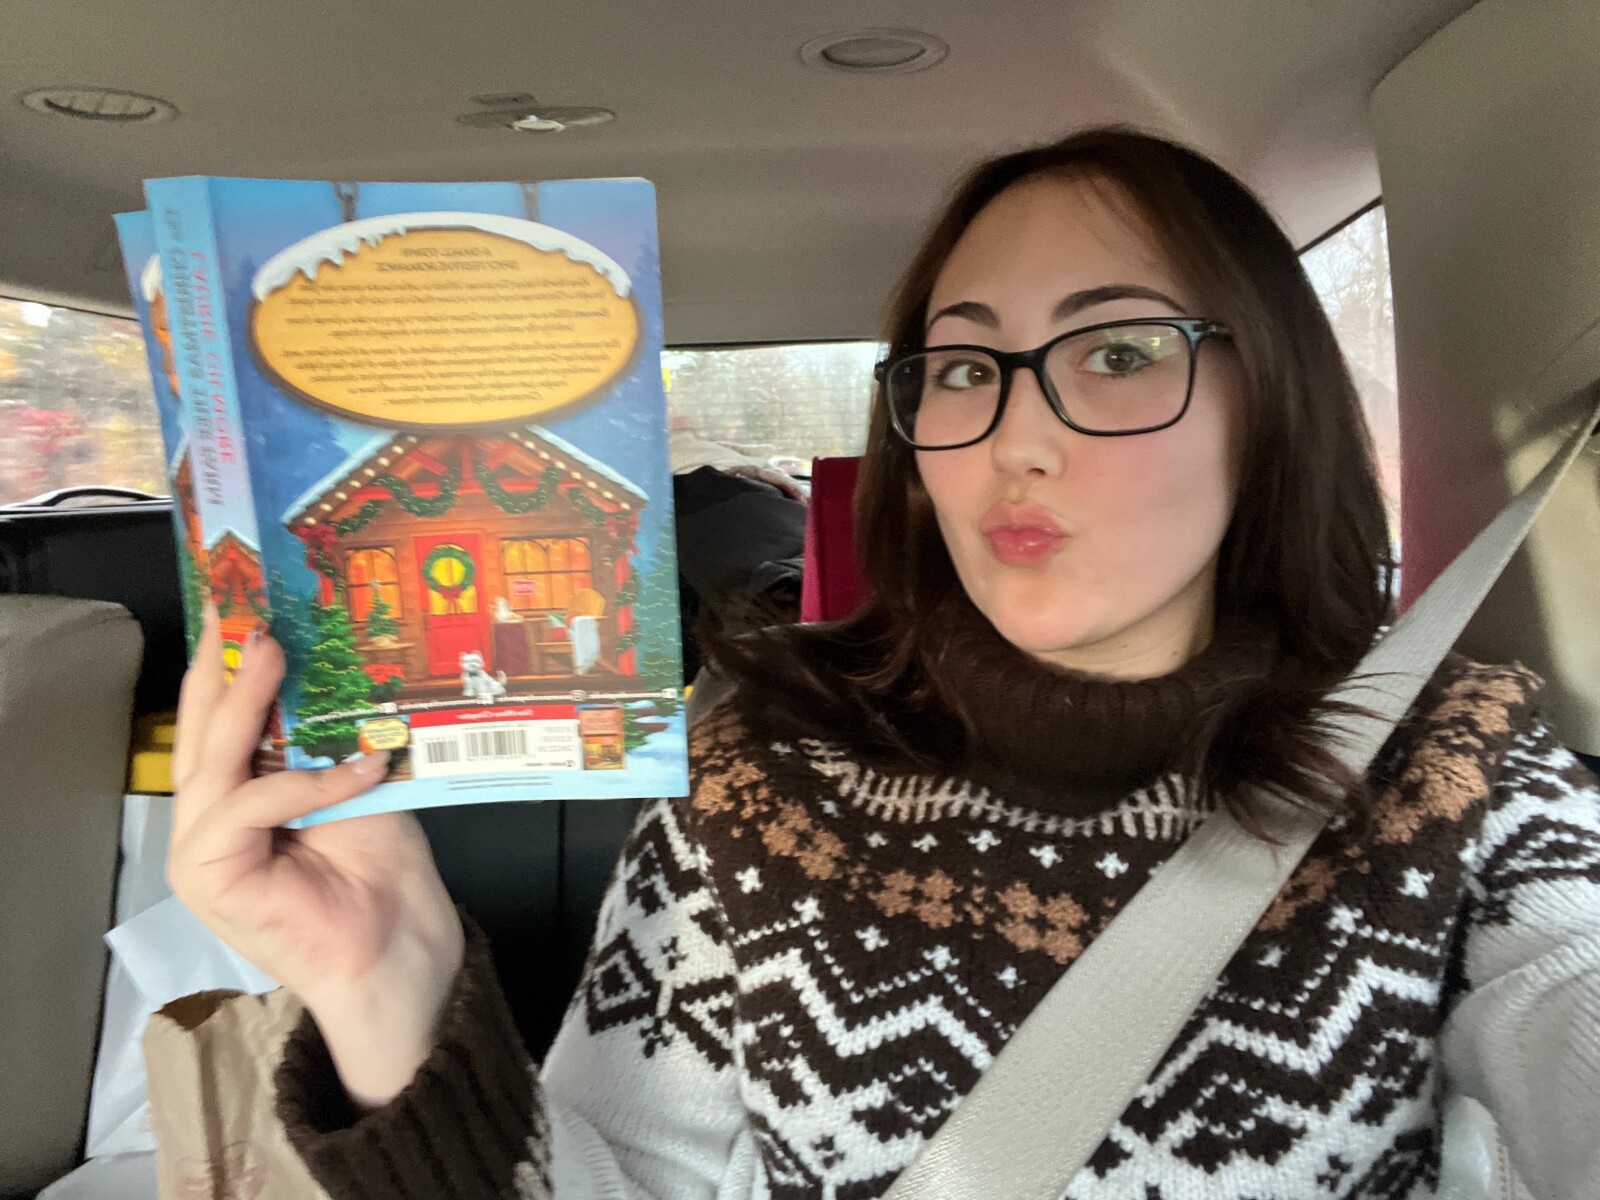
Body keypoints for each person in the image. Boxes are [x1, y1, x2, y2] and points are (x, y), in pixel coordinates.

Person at [167, 129, 1600, 1199]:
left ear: (1270, 399)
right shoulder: (757, 769)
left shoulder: (1457, 770)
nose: (1015, 438)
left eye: (1114, 354)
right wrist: (388, 984)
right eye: (965, 368)